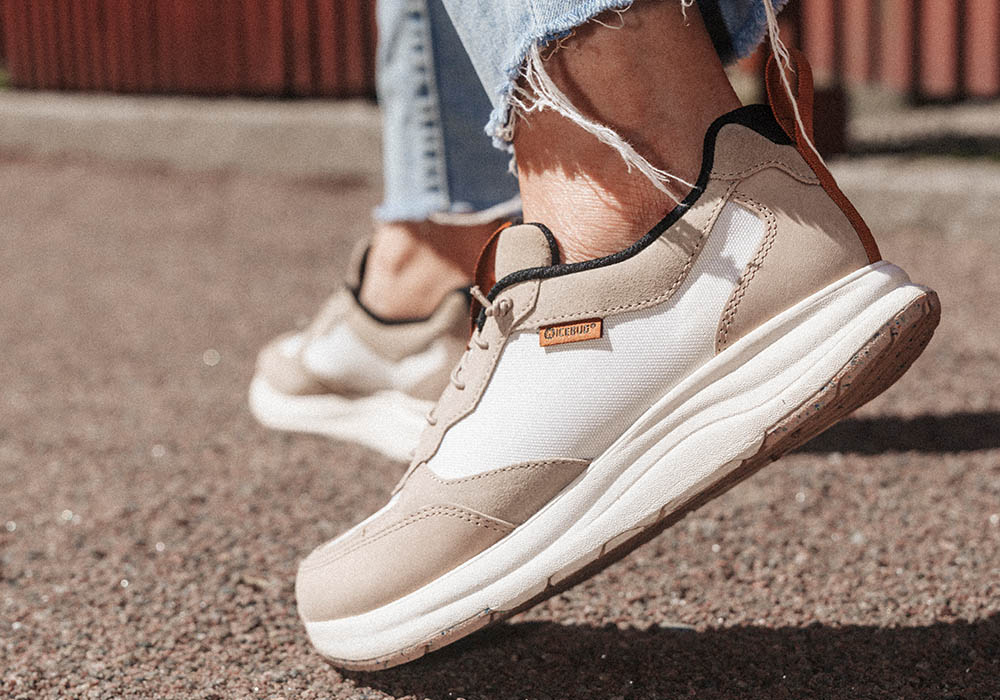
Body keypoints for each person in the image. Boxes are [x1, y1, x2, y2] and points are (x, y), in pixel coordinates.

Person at [264, 0, 940, 669]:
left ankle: (625, 191)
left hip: (684, 232)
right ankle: (435, 245)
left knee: (627, 132)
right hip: (731, 232)